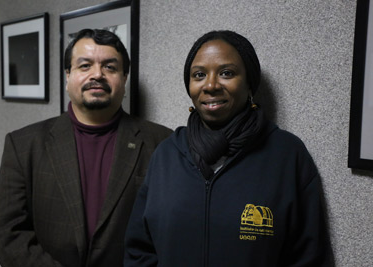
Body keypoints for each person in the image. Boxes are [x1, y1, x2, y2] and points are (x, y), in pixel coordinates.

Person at [124, 30, 334, 266]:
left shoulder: (287, 155)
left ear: (249, 83)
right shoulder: (166, 155)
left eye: (226, 73)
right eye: (199, 75)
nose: (211, 85)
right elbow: (139, 250)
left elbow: (310, 257)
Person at [0, 29, 172, 267]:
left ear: (124, 78)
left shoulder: (162, 142)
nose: (97, 74)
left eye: (110, 67)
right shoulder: (23, 145)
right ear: (68, 76)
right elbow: (5, 234)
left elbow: (170, 230)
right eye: (85, 66)